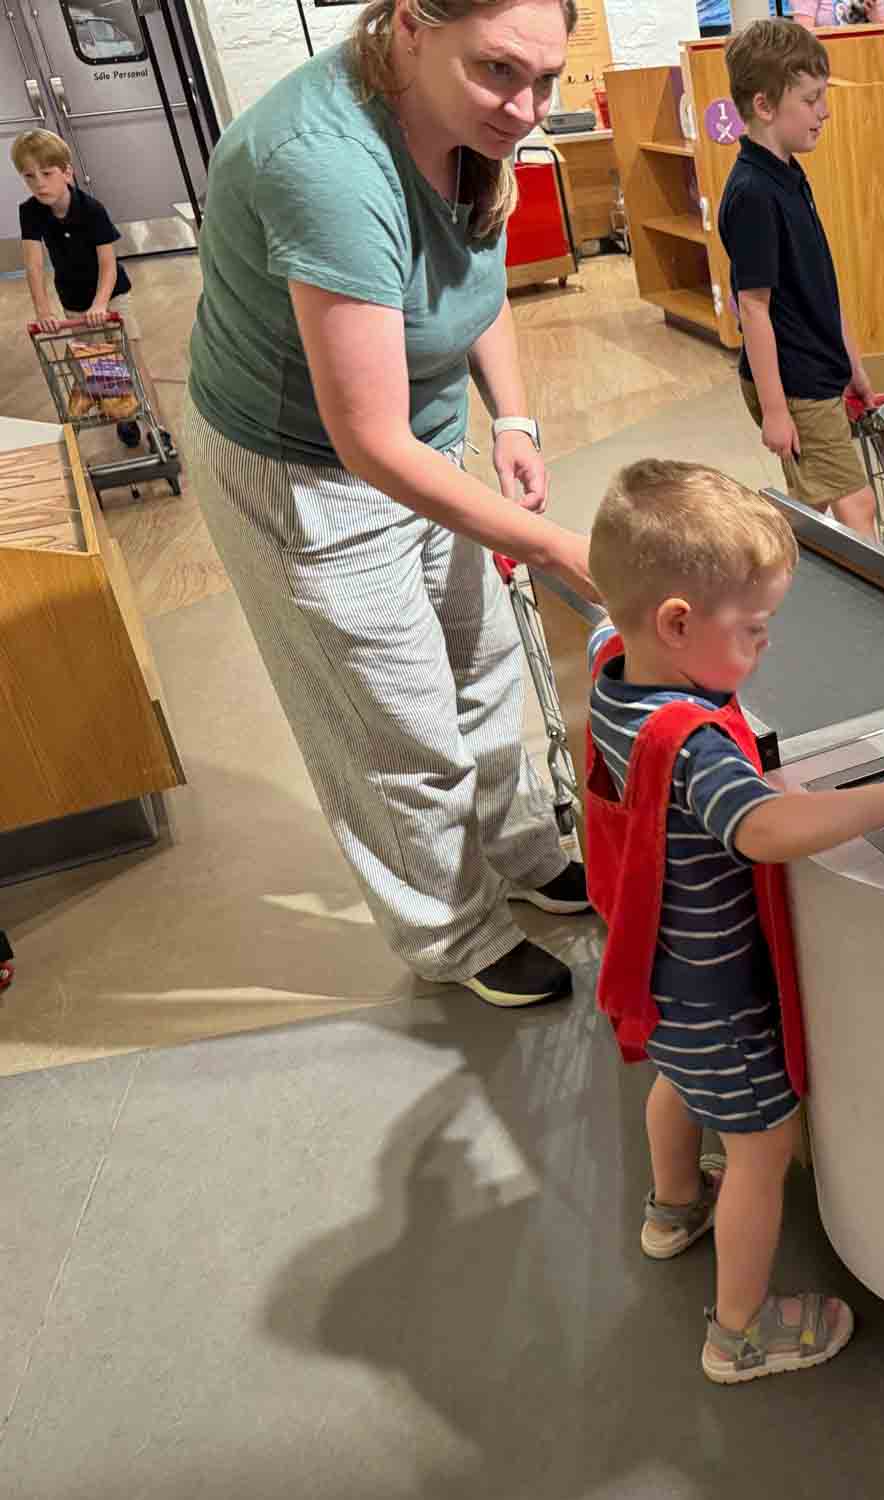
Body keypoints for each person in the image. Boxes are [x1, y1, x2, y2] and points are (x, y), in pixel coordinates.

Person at [180, 0, 600, 1010]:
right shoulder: (325, 161)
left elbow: (475, 278)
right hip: (303, 469)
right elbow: (364, 440)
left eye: (546, 78)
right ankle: (450, 930)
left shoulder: (469, 123)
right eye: (501, 72)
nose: (528, 108)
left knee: (485, 661)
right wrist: (556, 550)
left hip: (417, 434)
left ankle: (521, 851)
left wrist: (513, 423)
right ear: (411, 25)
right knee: (394, 724)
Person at [584, 460, 884, 1381]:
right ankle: (740, 1331)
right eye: (752, 631)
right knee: (759, 1146)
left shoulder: (613, 675)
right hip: (719, 993)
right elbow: (766, 829)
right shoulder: (692, 741)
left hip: (658, 976)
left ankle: (673, 1210)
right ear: (677, 624)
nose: (764, 647)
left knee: (674, 1086)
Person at [718, 19, 878, 538]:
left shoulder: (787, 172)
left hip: (818, 369)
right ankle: (875, 616)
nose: (824, 111)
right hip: (796, 387)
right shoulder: (753, 194)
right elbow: (754, 308)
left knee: (828, 504)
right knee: (858, 507)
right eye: (811, 100)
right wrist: (774, 412)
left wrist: (852, 362)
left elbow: (820, 286)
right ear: (765, 106)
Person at [14, 128, 162, 450]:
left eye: (47, 173)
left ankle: (156, 426)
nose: (39, 183)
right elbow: (34, 264)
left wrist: (101, 304)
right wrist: (43, 309)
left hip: (112, 294)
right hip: (73, 299)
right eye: (29, 176)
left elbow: (108, 263)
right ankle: (124, 417)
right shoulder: (31, 211)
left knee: (131, 359)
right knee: (100, 363)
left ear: (67, 172)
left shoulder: (91, 209)